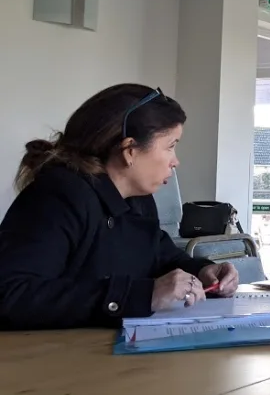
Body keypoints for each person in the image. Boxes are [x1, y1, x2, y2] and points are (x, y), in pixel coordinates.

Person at [0, 84, 239, 330]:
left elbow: (162, 257)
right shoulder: (58, 195)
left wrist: (203, 271)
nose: (175, 161)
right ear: (130, 150)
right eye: (170, 146)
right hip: (47, 359)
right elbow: (12, 293)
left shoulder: (137, 199)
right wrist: (138, 295)